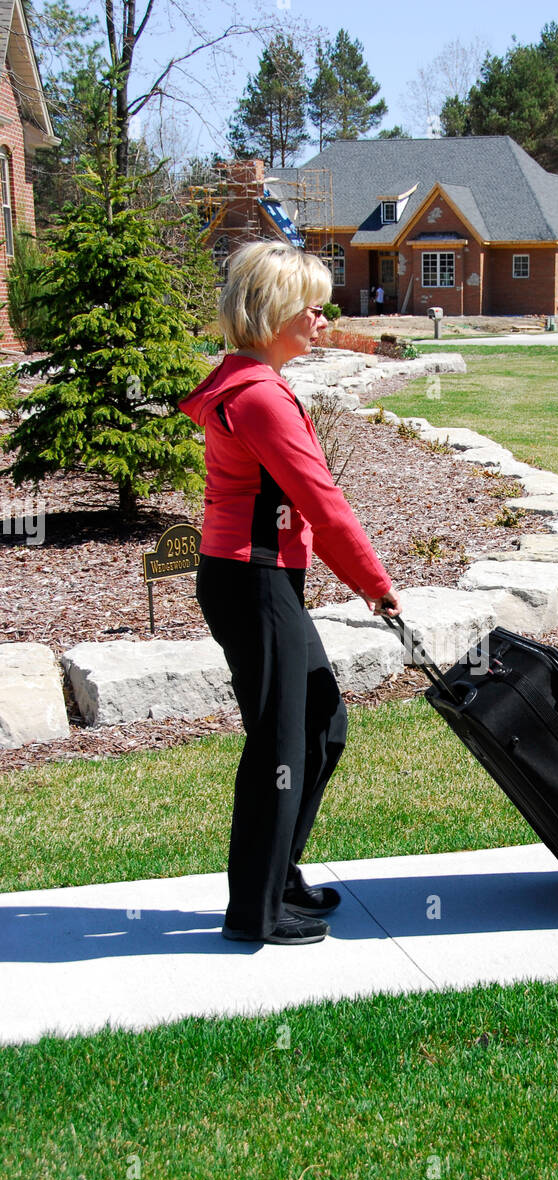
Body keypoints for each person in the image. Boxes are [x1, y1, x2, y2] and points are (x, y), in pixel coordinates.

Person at [178, 241, 402, 946]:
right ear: (272, 311)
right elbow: (321, 501)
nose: (321, 313)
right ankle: (255, 910)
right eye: (308, 301)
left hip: (257, 579)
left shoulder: (248, 381)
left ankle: (278, 874)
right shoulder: (260, 397)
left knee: (322, 724)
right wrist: (374, 585)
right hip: (255, 580)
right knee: (279, 741)